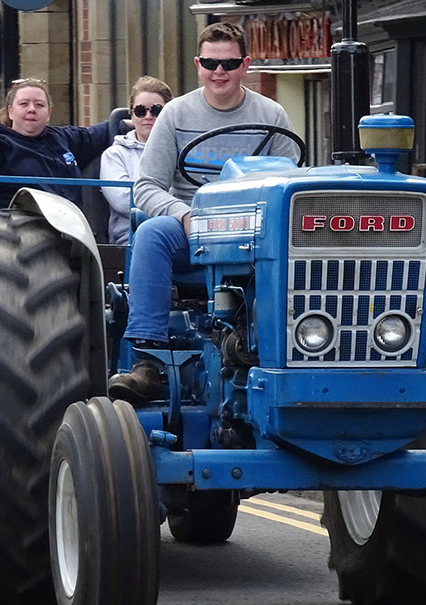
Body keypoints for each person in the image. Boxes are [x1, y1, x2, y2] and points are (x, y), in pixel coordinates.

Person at [109, 22, 300, 402]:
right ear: (198, 64)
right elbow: (146, 186)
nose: (219, 72)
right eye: (211, 62)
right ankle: (147, 361)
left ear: (245, 65)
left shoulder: (272, 115)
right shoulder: (176, 114)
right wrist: (182, 214)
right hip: (192, 233)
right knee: (151, 232)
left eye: (228, 63)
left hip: (252, 233)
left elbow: (288, 183)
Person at [0, 78, 114, 214]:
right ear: (11, 111)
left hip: (63, 229)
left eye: (39, 105)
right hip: (0, 226)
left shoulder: (62, 138)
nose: (32, 109)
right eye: (24, 104)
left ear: (48, 113)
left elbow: (98, 134)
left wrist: (132, 121)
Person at [100, 76, 174, 245]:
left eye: (156, 111)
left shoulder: (183, 152)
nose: (148, 116)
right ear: (131, 116)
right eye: (141, 111)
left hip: (179, 233)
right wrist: (172, 203)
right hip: (131, 238)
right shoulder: (115, 155)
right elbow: (122, 202)